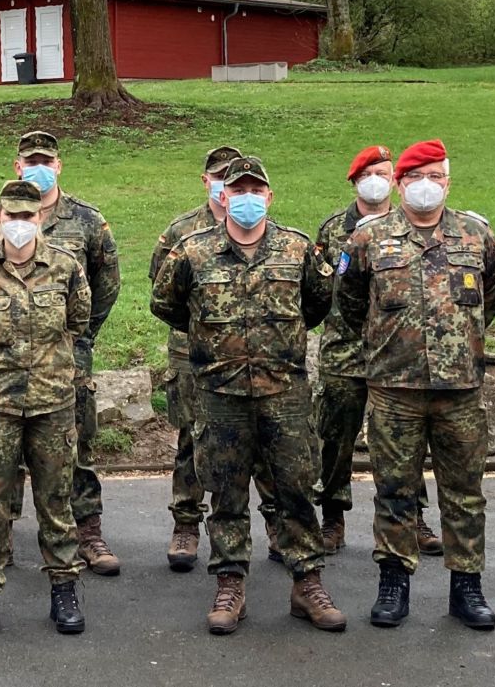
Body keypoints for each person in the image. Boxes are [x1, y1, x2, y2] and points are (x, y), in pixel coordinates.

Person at [151, 155, 346, 635]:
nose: (246, 200)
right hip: (221, 393)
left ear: (269, 197)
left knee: (296, 488)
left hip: (284, 391)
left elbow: (318, 304)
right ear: (223, 196)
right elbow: (168, 305)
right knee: (226, 491)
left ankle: (307, 583)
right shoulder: (192, 252)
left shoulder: (297, 249)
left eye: (255, 191)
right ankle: (231, 583)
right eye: (237, 191)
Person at [338, 138, 495, 631]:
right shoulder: (369, 239)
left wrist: (460, 341)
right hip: (395, 389)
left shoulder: (477, 237)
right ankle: (393, 583)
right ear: (399, 182)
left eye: (436, 177)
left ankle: (467, 586)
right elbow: (349, 303)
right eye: (416, 177)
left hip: (460, 391)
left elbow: (490, 296)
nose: (426, 186)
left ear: (448, 182)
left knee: (465, 492)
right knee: (394, 489)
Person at [0, 131, 122, 575]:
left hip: (65, 359)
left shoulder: (89, 221)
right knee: (2, 456)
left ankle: (87, 531)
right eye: (29, 159)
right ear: (18, 166)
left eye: (46, 160)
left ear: (58, 166)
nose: (38, 166)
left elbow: (104, 287)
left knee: (74, 448)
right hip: (5, 365)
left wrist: (77, 340)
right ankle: (3, 536)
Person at [0, 179, 91, 637]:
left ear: (40, 220)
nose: (18, 225)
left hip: (52, 401)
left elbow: (78, 323)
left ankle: (64, 590)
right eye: (10, 216)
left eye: (27, 217)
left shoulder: (66, 268)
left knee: (56, 500)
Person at [152, 146, 281, 571]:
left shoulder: (267, 231)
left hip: (257, 358)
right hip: (194, 353)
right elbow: (165, 292)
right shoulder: (182, 232)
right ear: (208, 181)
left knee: (263, 441)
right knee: (193, 437)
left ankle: (278, 525)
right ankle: (187, 523)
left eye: (238, 177)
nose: (231, 186)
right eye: (221, 176)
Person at [314, 145, 443, 556]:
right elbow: (323, 291)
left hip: (398, 353)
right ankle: (333, 516)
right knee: (336, 436)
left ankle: (414, 515)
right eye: (369, 172)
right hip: (345, 350)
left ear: (396, 179)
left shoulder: (411, 225)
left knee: (406, 440)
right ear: (355, 180)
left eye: (384, 172)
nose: (377, 179)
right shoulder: (334, 229)